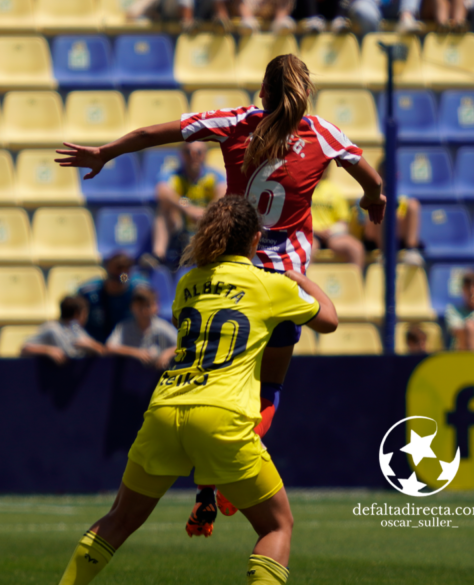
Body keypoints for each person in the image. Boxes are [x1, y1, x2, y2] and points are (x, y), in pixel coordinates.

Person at [57, 52, 385, 535]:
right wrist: (372, 199)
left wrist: (106, 152)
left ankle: (207, 486)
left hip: (230, 268)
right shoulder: (323, 133)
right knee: (268, 388)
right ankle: (223, 482)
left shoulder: (237, 123)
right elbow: (372, 179)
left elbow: (154, 134)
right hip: (283, 279)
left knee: (212, 376)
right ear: (304, 93)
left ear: (262, 93)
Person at [54, 195, 339, 585]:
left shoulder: (187, 283)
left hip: (166, 407)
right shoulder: (271, 286)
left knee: (119, 520)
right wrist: (301, 279)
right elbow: (330, 321)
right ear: (255, 240)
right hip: (221, 415)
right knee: (277, 526)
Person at [153, 142, 227, 267]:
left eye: (198, 152)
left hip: (207, 223)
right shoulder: (173, 175)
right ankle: (158, 256)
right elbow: (162, 192)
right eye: (188, 152)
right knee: (164, 208)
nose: (193, 156)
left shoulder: (213, 175)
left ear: (205, 155)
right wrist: (188, 209)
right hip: (180, 223)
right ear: (182, 155)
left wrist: (205, 212)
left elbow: (223, 192)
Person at [78, 252, 150, 344]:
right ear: (107, 270)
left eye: (126, 268)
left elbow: (149, 320)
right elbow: (74, 323)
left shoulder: (139, 291)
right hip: (93, 348)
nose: (122, 273)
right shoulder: (88, 292)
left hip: (129, 349)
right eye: (118, 268)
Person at [106, 286, 178, 368]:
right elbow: (109, 347)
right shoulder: (124, 327)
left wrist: (167, 354)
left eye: (147, 306)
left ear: (155, 307)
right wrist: (136, 353)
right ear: (132, 307)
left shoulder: (162, 327)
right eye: (140, 306)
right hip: (130, 374)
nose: (143, 311)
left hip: (156, 374)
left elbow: (183, 345)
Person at [21, 295, 106, 365]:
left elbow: (102, 351)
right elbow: (25, 349)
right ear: (77, 314)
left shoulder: (78, 330)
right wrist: (49, 351)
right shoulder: (52, 328)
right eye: (85, 313)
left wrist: (90, 347)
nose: (86, 317)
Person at [309, 168, 365, 267]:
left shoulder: (334, 191)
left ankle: (356, 282)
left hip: (332, 235)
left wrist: (330, 231)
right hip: (310, 234)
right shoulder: (303, 190)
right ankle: (302, 282)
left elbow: (343, 221)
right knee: (307, 248)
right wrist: (316, 231)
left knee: (356, 248)